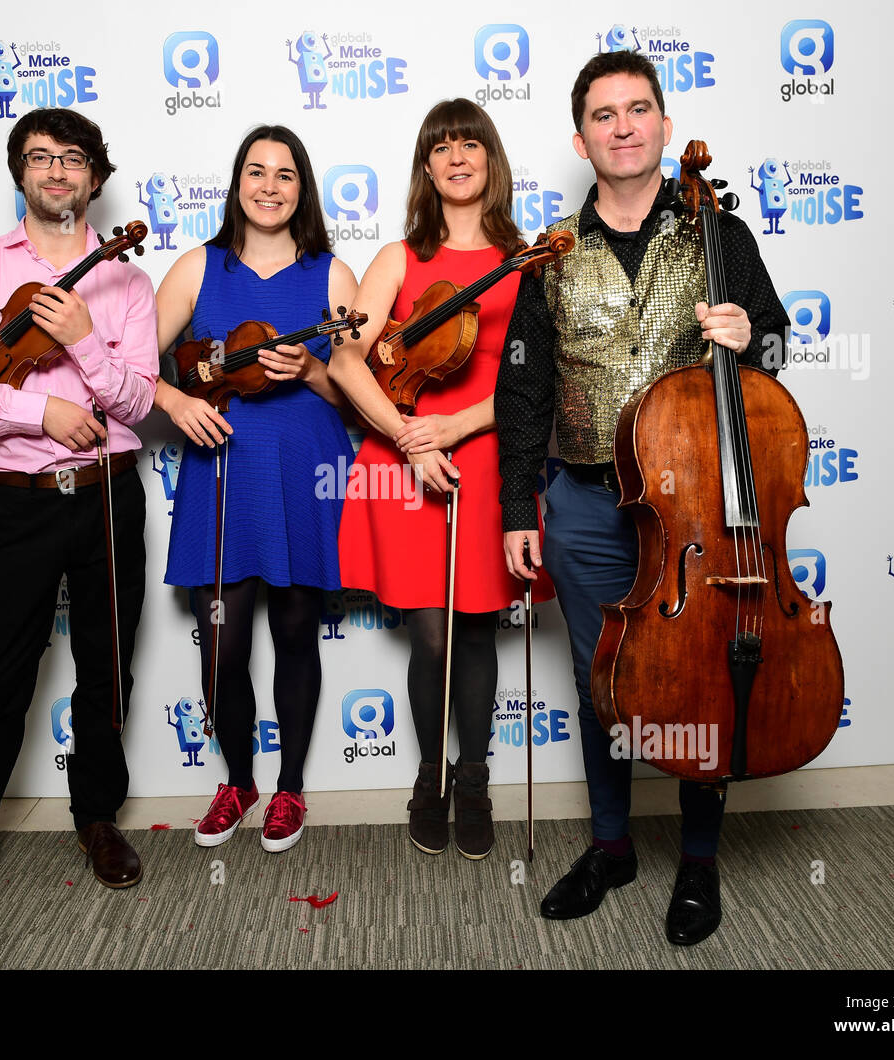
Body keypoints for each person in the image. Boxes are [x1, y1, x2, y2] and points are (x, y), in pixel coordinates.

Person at [496, 51, 789, 945]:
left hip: (702, 508)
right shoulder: (550, 251)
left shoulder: (719, 234)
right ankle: (613, 847)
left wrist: (751, 338)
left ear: (664, 124)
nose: (621, 126)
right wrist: (517, 508)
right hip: (585, 502)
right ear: (580, 138)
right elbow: (524, 390)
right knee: (604, 683)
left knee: (705, 681)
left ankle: (698, 861)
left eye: (637, 109)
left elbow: (777, 357)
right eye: (602, 114)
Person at [0, 108, 156, 945]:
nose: (55, 172)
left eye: (72, 159)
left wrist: (83, 344)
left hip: (111, 495)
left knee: (104, 672)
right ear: (20, 174)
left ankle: (97, 819)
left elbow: (140, 400)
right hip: (20, 502)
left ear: (94, 177)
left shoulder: (125, 282)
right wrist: (36, 409)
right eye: (39, 158)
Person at [331, 99, 553, 861]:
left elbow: (538, 380)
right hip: (404, 460)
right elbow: (346, 361)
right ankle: (428, 776)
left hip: (488, 453)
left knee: (479, 627)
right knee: (430, 636)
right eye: (442, 147)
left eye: (471, 144)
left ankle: (476, 778)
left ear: (491, 160)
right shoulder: (398, 258)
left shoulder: (526, 260)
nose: (457, 157)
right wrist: (407, 437)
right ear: (426, 167)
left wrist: (454, 428)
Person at [155, 125, 357, 853]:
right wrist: (176, 402)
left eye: (285, 174)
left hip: (306, 473)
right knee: (222, 645)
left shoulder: (332, 276)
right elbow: (124, 361)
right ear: (236, 183)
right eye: (255, 171)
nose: (269, 186)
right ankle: (237, 781)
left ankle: (290, 788)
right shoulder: (196, 269)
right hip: (223, 475)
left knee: (297, 633)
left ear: (302, 189)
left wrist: (308, 370)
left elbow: (360, 393)